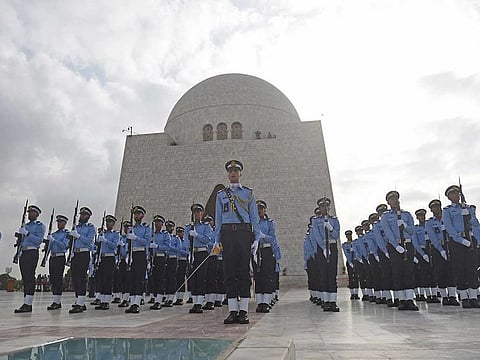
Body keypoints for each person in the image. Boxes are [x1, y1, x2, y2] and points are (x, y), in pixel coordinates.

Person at [215, 160, 261, 324]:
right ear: (227, 174)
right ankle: (232, 310)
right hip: (227, 234)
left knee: (243, 271)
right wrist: (216, 240)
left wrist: (256, 237)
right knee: (229, 272)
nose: (233, 173)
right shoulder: (221, 195)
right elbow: (218, 219)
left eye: (236, 170)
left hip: (243, 233)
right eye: (230, 171)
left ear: (241, 173)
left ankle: (243, 311)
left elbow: (254, 217)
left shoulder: (248, 193)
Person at [380, 191, 419, 311]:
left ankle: (409, 299)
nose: (395, 201)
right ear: (388, 202)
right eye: (392, 199)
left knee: (408, 272)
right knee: (397, 272)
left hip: (407, 243)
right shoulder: (386, 216)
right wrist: (396, 246)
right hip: (394, 245)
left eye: (396, 199)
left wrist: (405, 225)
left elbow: (413, 231)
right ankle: (402, 300)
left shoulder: (406, 214)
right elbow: (387, 232)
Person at [442, 185, 480, 308]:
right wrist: (461, 240)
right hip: (457, 242)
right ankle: (464, 297)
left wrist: (469, 215)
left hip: (470, 239)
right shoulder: (447, 210)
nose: (456, 196)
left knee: (472, 269)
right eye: (453, 194)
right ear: (448, 197)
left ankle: (473, 297)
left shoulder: (468, 208)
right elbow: (449, 228)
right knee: (460, 269)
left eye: (457, 193)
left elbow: (475, 224)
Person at [425, 199, 459, 306]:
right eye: (434, 207)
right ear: (431, 210)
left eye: (438, 207)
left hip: (450, 245)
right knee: (440, 272)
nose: (436, 209)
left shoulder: (447, 218)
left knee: (451, 271)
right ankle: (444, 296)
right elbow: (433, 238)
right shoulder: (430, 222)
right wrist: (441, 250)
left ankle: (452, 296)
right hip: (437, 248)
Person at [310, 197, 341, 312]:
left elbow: (336, 235)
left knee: (332, 274)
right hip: (322, 247)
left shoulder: (334, 220)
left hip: (332, 246)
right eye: (322, 206)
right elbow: (317, 236)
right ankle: (326, 301)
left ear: (329, 207)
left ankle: (333, 301)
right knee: (324, 274)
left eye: (326, 206)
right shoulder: (315, 220)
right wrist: (323, 248)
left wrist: (331, 228)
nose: (324, 208)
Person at [14, 204, 46, 313]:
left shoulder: (39, 226)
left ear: (37, 214)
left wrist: (27, 233)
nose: (29, 214)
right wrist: (18, 253)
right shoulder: (26, 226)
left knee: (29, 277)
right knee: (25, 278)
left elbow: (38, 241)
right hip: (24, 252)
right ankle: (25, 302)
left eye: (31, 212)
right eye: (28, 212)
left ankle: (28, 304)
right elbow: (21, 242)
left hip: (32, 252)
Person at [185, 203, 213, 314]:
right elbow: (187, 242)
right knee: (193, 279)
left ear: (202, 213)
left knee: (201, 277)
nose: (196, 214)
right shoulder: (188, 227)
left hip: (202, 253)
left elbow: (207, 240)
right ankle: (194, 303)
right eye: (195, 212)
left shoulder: (206, 226)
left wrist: (197, 235)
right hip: (193, 254)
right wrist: (189, 253)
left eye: (198, 212)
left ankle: (199, 303)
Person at [125, 206, 151, 314]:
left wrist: (136, 238)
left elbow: (146, 242)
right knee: (132, 279)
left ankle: (136, 303)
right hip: (132, 254)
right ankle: (132, 303)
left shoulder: (146, 228)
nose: (136, 216)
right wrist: (127, 254)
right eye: (135, 214)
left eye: (138, 214)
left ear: (143, 215)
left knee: (139, 279)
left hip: (141, 254)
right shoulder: (131, 228)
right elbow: (128, 243)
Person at [69, 207, 95, 314]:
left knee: (81, 278)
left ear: (88, 217)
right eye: (81, 214)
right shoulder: (76, 227)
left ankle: (80, 303)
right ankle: (79, 301)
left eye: (84, 215)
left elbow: (89, 241)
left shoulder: (90, 228)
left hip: (84, 253)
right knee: (75, 278)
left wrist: (78, 236)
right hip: (75, 253)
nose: (82, 216)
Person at [254, 200, 277, 313]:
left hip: (267, 249)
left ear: (264, 210)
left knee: (267, 275)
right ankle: (259, 303)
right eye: (258, 209)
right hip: (256, 250)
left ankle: (266, 302)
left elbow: (272, 238)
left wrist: (263, 236)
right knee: (258, 276)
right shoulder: (252, 222)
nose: (259, 211)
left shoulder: (269, 223)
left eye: (261, 209)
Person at [94, 215, 120, 310]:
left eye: (110, 222)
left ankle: (107, 301)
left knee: (108, 279)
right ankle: (102, 300)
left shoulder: (115, 234)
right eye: (107, 222)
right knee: (101, 279)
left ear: (113, 224)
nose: (108, 223)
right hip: (102, 258)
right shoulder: (102, 233)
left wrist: (105, 240)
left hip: (110, 258)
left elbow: (114, 246)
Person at [46, 214, 70, 310]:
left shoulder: (66, 234)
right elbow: (50, 247)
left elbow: (64, 246)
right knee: (53, 279)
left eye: (61, 222)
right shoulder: (54, 234)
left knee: (58, 279)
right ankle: (55, 299)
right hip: (53, 257)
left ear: (64, 223)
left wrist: (54, 240)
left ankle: (57, 301)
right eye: (58, 222)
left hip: (60, 257)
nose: (59, 224)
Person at [149, 215, 169, 310]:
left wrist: (157, 246)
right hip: (153, 258)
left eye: (159, 222)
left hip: (161, 258)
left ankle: (159, 301)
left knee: (160, 279)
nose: (157, 224)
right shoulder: (152, 234)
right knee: (154, 279)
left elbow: (167, 247)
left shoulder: (165, 234)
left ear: (162, 224)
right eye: (156, 222)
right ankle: (155, 298)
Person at [163, 220, 179, 307]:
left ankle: (171, 298)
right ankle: (166, 297)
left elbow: (178, 250)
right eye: (168, 227)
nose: (169, 228)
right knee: (166, 278)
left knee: (172, 278)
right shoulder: (163, 236)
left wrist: (169, 247)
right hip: (165, 259)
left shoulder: (176, 238)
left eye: (171, 227)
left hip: (172, 259)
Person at [342, 230, 359, 300]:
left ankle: (356, 293)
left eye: (350, 235)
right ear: (346, 236)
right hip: (349, 262)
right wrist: (350, 262)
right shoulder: (345, 245)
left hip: (356, 261)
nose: (349, 236)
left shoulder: (355, 243)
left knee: (356, 277)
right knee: (351, 278)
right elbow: (346, 254)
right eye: (347, 235)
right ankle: (352, 294)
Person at [174, 226, 188, 305]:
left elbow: (187, 252)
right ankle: (177, 297)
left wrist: (180, 251)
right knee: (177, 278)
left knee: (181, 278)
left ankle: (181, 297)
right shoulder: (176, 240)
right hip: (176, 260)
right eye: (178, 232)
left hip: (183, 261)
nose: (180, 234)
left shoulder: (186, 242)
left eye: (181, 232)